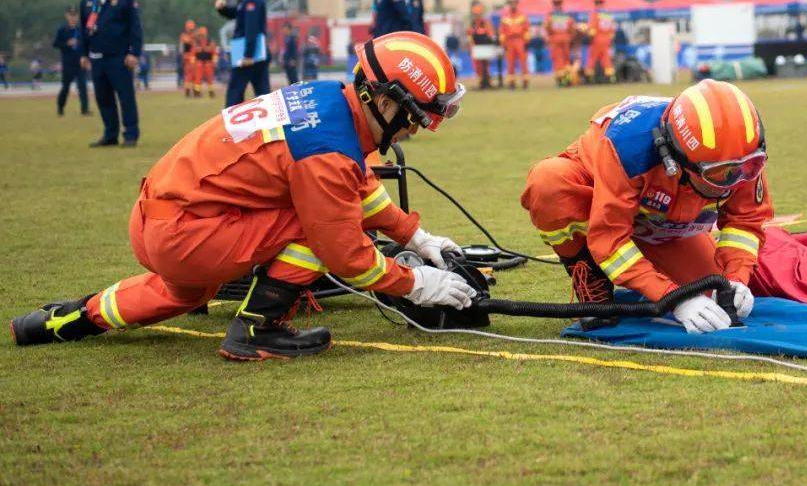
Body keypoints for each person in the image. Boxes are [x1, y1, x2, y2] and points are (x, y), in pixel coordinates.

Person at [11, 31, 474, 360]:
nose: (414, 129)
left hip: (159, 220)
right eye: (414, 116)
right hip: (190, 235)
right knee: (318, 227)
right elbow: (345, 250)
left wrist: (415, 237)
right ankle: (258, 328)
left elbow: (358, 184)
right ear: (387, 101)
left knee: (176, 295)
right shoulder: (328, 152)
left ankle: (65, 320)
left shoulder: (329, 101)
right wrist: (416, 284)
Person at [520, 81, 771, 333]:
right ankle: (588, 274)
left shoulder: (741, 154)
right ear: (677, 160)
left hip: (664, 226)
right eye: (718, 173)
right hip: (603, 211)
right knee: (548, 182)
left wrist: (736, 278)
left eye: (749, 166)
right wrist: (672, 297)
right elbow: (609, 239)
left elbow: (746, 222)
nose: (735, 180)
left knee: (714, 295)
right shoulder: (627, 146)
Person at [79, 0, 142, 147]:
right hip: (97, 57)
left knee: (125, 96)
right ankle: (110, 134)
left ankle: (130, 134)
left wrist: (134, 53)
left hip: (120, 58)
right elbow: (83, 29)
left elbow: (135, 28)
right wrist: (83, 54)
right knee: (103, 98)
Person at [215, 0, 269, 107]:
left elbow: (251, 29)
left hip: (248, 56)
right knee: (264, 96)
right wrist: (223, 9)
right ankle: (270, 128)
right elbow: (236, 13)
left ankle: (231, 129)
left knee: (234, 96)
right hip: (254, 55)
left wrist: (248, 55)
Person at [53, 6, 90, 115]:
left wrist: (87, 58)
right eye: (71, 15)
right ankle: (60, 108)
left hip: (80, 62)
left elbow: (86, 44)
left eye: (75, 15)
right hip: (68, 63)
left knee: (83, 86)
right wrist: (66, 44)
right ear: (67, 16)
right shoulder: (62, 29)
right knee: (66, 87)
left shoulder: (81, 29)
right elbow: (55, 44)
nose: (73, 17)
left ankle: (85, 110)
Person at [499, 0, 529, 90]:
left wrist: (526, 42)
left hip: (520, 40)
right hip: (509, 41)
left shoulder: (522, 16)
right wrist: (503, 44)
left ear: (517, 3)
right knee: (510, 63)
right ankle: (511, 83)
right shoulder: (505, 17)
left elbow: (526, 29)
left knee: (523, 62)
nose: (513, 4)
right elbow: (502, 31)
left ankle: (525, 82)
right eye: (511, 3)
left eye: (514, 2)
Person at [586, 0, 616, 83]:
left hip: (597, 39)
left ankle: (589, 79)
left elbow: (592, 29)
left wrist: (589, 38)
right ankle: (610, 78)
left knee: (592, 58)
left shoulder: (595, 13)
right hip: (607, 40)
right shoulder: (608, 14)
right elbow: (612, 29)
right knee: (606, 59)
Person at [545, 0, 574, 83]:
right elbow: (572, 29)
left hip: (555, 39)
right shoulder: (567, 16)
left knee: (558, 59)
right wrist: (570, 37)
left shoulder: (550, 16)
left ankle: (561, 79)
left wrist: (550, 37)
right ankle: (568, 77)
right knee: (566, 59)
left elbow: (547, 28)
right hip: (566, 39)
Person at [467, 3, 497, 90]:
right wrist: (470, 47)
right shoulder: (472, 24)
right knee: (477, 67)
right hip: (476, 49)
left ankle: (488, 82)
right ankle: (480, 83)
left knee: (486, 66)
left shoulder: (486, 23)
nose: (476, 16)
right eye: (475, 14)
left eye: (478, 14)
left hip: (485, 48)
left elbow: (491, 35)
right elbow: (469, 36)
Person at [193, 26, 218, 98]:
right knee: (198, 78)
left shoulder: (210, 41)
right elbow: (193, 53)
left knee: (210, 78)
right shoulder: (196, 42)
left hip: (208, 62)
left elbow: (214, 52)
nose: (202, 36)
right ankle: (197, 92)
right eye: (201, 34)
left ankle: (211, 92)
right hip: (199, 62)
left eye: (203, 34)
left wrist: (215, 61)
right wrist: (193, 62)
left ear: (206, 34)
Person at [179, 19, 198, 97]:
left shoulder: (195, 35)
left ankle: (195, 90)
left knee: (195, 75)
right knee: (188, 75)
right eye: (190, 28)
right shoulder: (184, 36)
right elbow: (183, 47)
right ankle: (187, 91)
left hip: (195, 57)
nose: (191, 30)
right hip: (187, 57)